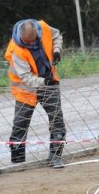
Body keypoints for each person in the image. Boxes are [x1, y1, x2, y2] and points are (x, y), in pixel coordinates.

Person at [4, 19, 66, 168]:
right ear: (21, 36)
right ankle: (18, 162)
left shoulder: (43, 27)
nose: (31, 45)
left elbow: (57, 35)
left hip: (49, 82)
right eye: (27, 43)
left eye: (33, 42)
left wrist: (57, 50)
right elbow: (26, 78)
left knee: (57, 120)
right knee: (20, 124)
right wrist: (45, 82)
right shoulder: (15, 50)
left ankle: (55, 157)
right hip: (26, 88)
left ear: (37, 33)